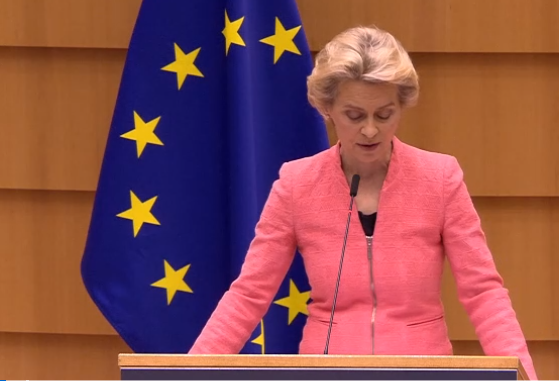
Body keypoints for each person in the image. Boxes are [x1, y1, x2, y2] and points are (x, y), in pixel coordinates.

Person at [188, 26, 537, 379]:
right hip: (327, 372)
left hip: (422, 372)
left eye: (384, 115)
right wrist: (189, 372)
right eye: (354, 116)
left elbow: (483, 292)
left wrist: (525, 375)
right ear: (327, 108)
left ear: (401, 106)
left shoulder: (440, 178)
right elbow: (250, 294)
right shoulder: (297, 184)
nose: (370, 130)